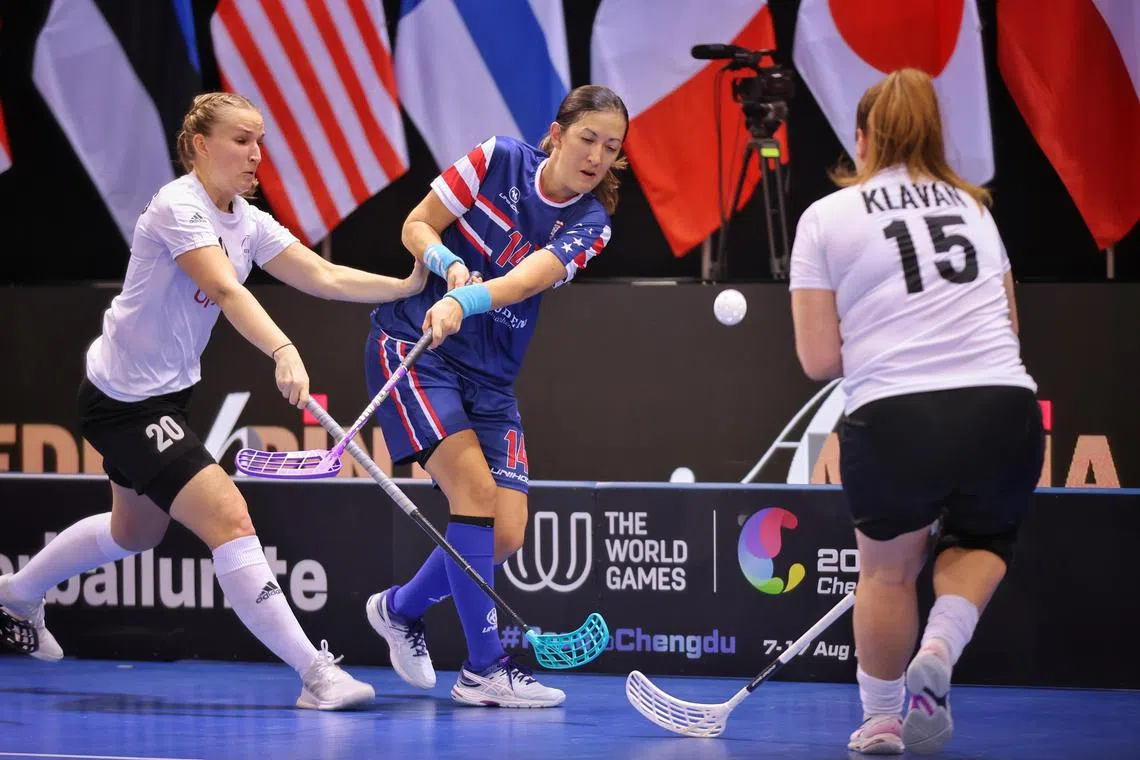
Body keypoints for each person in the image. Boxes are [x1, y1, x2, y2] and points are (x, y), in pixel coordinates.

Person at [0, 92, 428, 711]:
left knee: (135, 531)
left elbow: (323, 275)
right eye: (242, 140)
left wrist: (407, 285)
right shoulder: (179, 206)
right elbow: (226, 289)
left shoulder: (246, 220)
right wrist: (283, 348)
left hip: (166, 396)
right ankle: (317, 675)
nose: (257, 154)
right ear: (200, 145)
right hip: (126, 402)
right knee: (230, 517)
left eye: (260, 141)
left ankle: (15, 593)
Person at [788, 69, 1044, 754]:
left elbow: (817, 359)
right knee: (982, 544)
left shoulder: (826, 217)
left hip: (896, 416)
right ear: (936, 134)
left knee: (887, 573)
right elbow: (1009, 329)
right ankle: (940, 647)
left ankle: (880, 721)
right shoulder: (977, 211)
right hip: (1005, 407)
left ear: (863, 139)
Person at [360, 85, 628, 708]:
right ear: (557, 134)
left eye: (611, 149)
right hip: (414, 350)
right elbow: (416, 223)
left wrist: (467, 298)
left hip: (490, 377)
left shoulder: (592, 225)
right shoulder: (497, 158)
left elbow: (524, 280)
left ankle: (397, 610)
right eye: (588, 138)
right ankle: (486, 668)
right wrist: (447, 262)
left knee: (503, 534)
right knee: (475, 496)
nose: (596, 156)